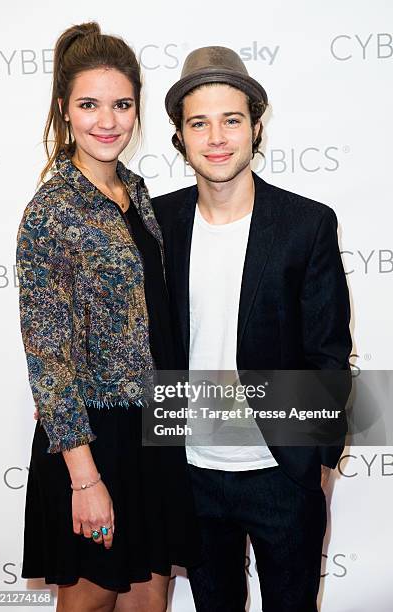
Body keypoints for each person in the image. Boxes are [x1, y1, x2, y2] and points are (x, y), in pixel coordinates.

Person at [152, 46, 352, 612]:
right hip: (189, 473)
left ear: (255, 126)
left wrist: (319, 464)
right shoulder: (157, 223)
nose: (216, 136)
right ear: (180, 137)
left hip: (280, 475)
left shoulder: (306, 223)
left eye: (231, 119)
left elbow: (328, 349)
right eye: (199, 123)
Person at [16, 22, 199, 612]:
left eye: (122, 105)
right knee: (91, 601)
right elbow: (49, 359)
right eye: (89, 105)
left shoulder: (136, 191)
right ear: (64, 110)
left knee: (151, 599)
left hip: (153, 428)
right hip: (93, 442)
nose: (107, 121)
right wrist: (84, 478)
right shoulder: (50, 213)